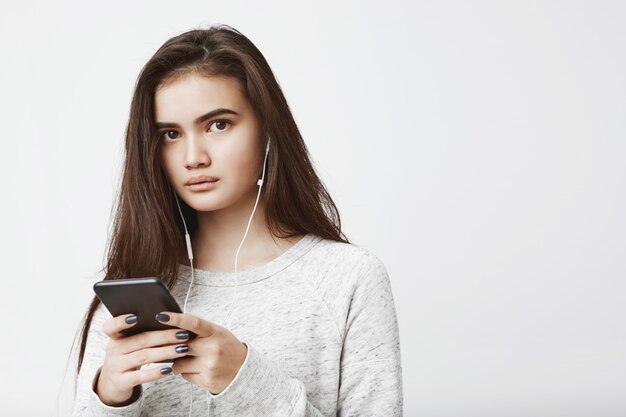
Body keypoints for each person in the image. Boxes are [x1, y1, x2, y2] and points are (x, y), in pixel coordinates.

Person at [72, 24, 402, 416]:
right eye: (170, 134)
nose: (193, 156)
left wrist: (246, 382)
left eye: (218, 124)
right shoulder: (133, 286)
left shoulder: (348, 280)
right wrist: (110, 397)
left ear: (266, 130)